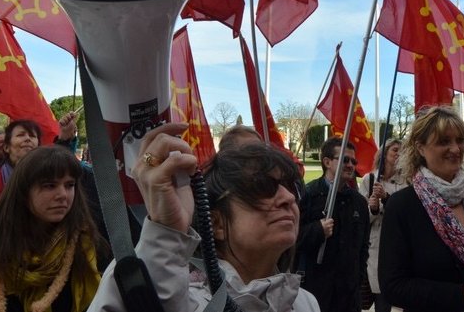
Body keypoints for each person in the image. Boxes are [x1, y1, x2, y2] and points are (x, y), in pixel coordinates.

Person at [88, 123, 320, 311]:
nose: (287, 198)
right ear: (216, 223)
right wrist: (165, 235)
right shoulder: (181, 293)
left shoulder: (305, 303)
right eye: (262, 186)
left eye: (293, 187)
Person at [379, 105, 464, 312]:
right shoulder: (403, 205)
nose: (456, 149)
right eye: (444, 141)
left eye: (460, 140)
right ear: (421, 148)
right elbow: (393, 286)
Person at [0, 145, 105, 312]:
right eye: (49, 185)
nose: (63, 194)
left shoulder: (89, 249)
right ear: (23, 192)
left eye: (69, 185)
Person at [0, 115, 79, 247]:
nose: (27, 139)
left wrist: (65, 138)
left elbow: (62, 165)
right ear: (6, 147)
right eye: (21, 135)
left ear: (38, 147)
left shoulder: (53, 187)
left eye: (32, 136)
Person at [296, 137, 369, 312]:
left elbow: (363, 246)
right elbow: (291, 239)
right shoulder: (309, 195)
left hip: (349, 295)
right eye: (344, 159)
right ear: (327, 162)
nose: (351, 165)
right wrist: (317, 230)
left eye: (353, 161)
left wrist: (358, 280)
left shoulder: (358, 201)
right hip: (316, 292)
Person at [358, 138, 405, 312]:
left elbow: (405, 215)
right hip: (376, 247)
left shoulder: (406, 181)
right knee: (381, 298)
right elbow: (362, 219)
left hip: (399, 246)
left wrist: (386, 198)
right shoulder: (369, 180)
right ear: (384, 154)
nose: (399, 153)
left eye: (402, 150)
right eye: (394, 150)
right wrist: (373, 209)